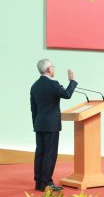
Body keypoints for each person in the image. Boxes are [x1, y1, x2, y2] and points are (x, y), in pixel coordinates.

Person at [30, 59, 78, 191]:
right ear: (48, 69)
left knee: (40, 153)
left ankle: (39, 182)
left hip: (39, 124)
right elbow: (67, 94)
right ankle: (47, 183)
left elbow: (33, 109)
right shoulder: (53, 84)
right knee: (49, 154)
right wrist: (72, 81)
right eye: (53, 67)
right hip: (51, 125)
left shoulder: (34, 86)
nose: (54, 69)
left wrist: (36, 124)